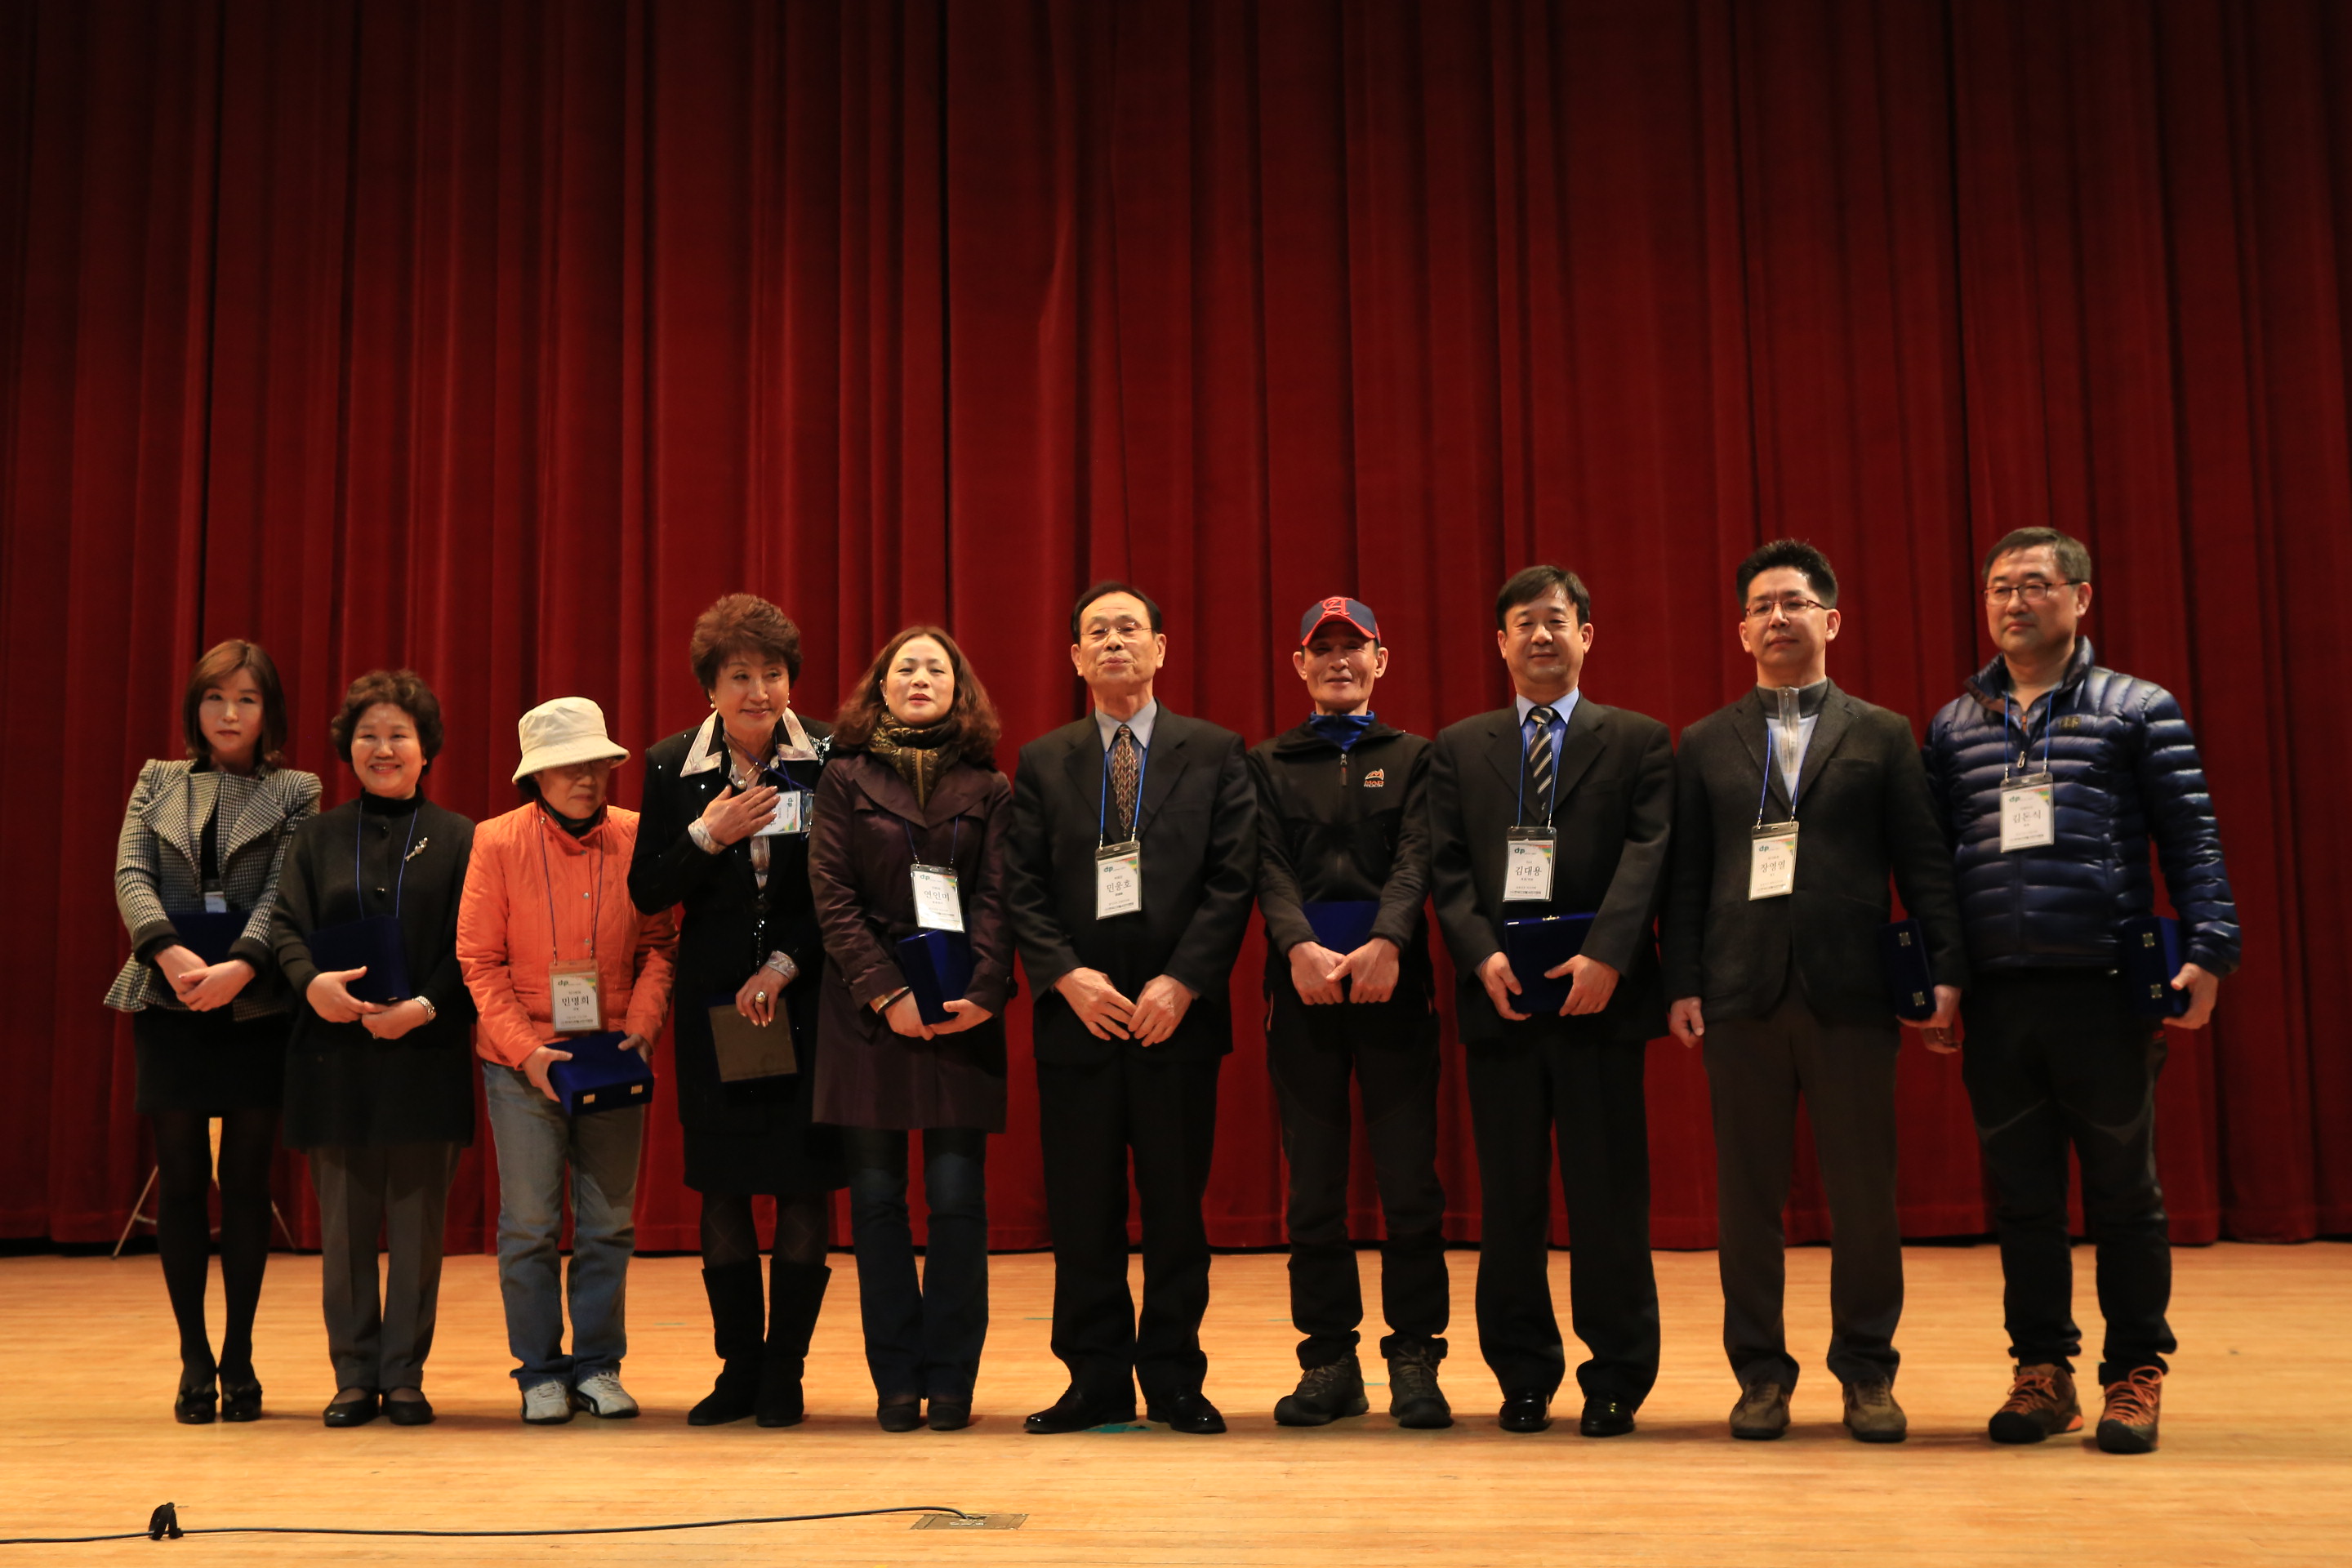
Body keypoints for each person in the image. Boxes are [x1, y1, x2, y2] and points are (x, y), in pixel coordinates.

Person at [1924, 527, 2238, 1456]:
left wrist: (2211, 948)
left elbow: (2192, 837)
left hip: (2106, 988)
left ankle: (2134, 1373)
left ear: (2080, 598)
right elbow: (1937, 867)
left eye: (2034, 584)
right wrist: (1943, 974)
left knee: (2124, 1195)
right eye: (1998, 588)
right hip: (1999, 995)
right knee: (2022, 1200)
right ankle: (2043, 1372)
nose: (2013, 602)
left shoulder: (2138, 709)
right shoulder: (1954, 724)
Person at [1662, 540, 1967, 1444]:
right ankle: (1760, 1375)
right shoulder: (1704, 741)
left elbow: (1926, 866)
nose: (1776, 618)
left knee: (1864, 1199)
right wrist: (1682, 982)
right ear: (1742, 631)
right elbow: (1686, 878)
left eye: (1793, 603)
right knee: (1747, 1203)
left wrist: (1945, 972)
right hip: (1739, 995)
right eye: (1761, 606)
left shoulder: (1881, 733)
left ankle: (1867, 1373)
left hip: (1852, 995)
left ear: (1830, 620)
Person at [1005, 581, 1256, 1436]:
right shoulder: (1043, 761)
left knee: (1176, 1214)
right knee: (1083, 1214)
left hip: (1175, 1020)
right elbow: (1021, 887)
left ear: (1160, 648)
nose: (1114, 642)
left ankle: (1176, 1377)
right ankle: (1095, 1380)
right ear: (1076, 657)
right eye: (1097, 633)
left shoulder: (1215, 751)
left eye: (1129, 629)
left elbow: (1232, 880)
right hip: (1078, 1019)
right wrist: (1065, 977)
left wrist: (1182, 981)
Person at [1427, 564, 1673, 1437]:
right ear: (1500, 643)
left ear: (1585, 636)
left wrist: (1608, 955)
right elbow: (1447, 866)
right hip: (1502, 1002)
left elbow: (1648, 853)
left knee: (1608, 1201)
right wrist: (1481, 955)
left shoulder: (1637, 740)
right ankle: (1523, 1374)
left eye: (1556, 620)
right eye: (1524, 623)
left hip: (1601, 1004)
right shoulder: (1460, 747)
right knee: (1511, 1203)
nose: (1541, 635)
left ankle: (1616, 1378)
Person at [629, 594, 844, 1428]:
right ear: (710, 689)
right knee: (721, 1190)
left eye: (773, 674)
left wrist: (786, 964)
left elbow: (847, 887)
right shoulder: (670, 765)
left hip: (805, 995)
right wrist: (707, 834)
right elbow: (649, 889)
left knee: (800, 1188)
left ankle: (785, 1371)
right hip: (714, 1002)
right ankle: (738, 1370)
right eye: (740, 676)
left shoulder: (829, 755)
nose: (759, 692)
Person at [1248, 596, 1450, 1429]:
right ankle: (1329, 1360)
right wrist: (1296, 945)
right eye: (1322, 647)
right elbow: (1265, 863)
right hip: (1302, 994)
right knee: (1314, 1191)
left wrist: (1388, 941)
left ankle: (1415, 1357)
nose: (1338, 659)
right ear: (1299, 664)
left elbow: (1418, 857)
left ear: (1380, 660)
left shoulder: (1415, 757)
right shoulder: (1266, 762)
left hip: (1393, 990)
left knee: (1409, 1185)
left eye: (1353, 646)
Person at [107, 640, 320, 1423]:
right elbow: (131, 873)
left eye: (247, 699)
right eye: (215, 698)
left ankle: (240, 1353)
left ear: (270, 712)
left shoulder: (297, 789)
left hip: (255, 1002)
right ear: (195, 707)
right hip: (169, 998)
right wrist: (166, 952)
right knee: (183, 1182)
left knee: (249, 1184)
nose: (229, 714)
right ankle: (195, 1357)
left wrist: (240, 966)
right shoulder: (157, 779)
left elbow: (285, 889)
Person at [809, 627, 1014, 1433]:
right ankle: (896, 1379)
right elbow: (831, 894)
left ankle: (953, 1378)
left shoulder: (989, 784)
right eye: (906, 667)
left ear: (959, 689)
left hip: (962, 1005)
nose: (921, 677)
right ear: (882, 687)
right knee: (877, 1204)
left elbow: (999, 897)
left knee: (958, 1202)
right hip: (869, 1012)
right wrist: (885, 991)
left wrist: (984, 989)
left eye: (937, 667)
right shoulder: (844, 776)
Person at [457, 698, 678, 1425]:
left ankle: (599, 1366)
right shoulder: (496, 841)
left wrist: (641, 1027)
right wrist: (528, 1053)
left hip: (613, 1055)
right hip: (522, 1061)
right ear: (536, 776)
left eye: (595, 764)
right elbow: (479, 961)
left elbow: (660, 946)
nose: (586, 778)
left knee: (609, 1223)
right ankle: (539, 1371)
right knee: (530, 1223)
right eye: (567, 766)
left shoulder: (638, 836)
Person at [271, 670, 477, 1428]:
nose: (383, 748)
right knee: (346, 1228)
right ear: (347, 747)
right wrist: (312, 985)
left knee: (418, 1228)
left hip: (425, 1052)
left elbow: (474, 943)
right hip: (336, 1053)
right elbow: (283, 927)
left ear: (426, 749)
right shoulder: (316, 836)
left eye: (399, 735)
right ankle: (354, 1376)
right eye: (368, 735)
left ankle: (405, 1375)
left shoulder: (461, 837)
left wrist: (423, 1007)